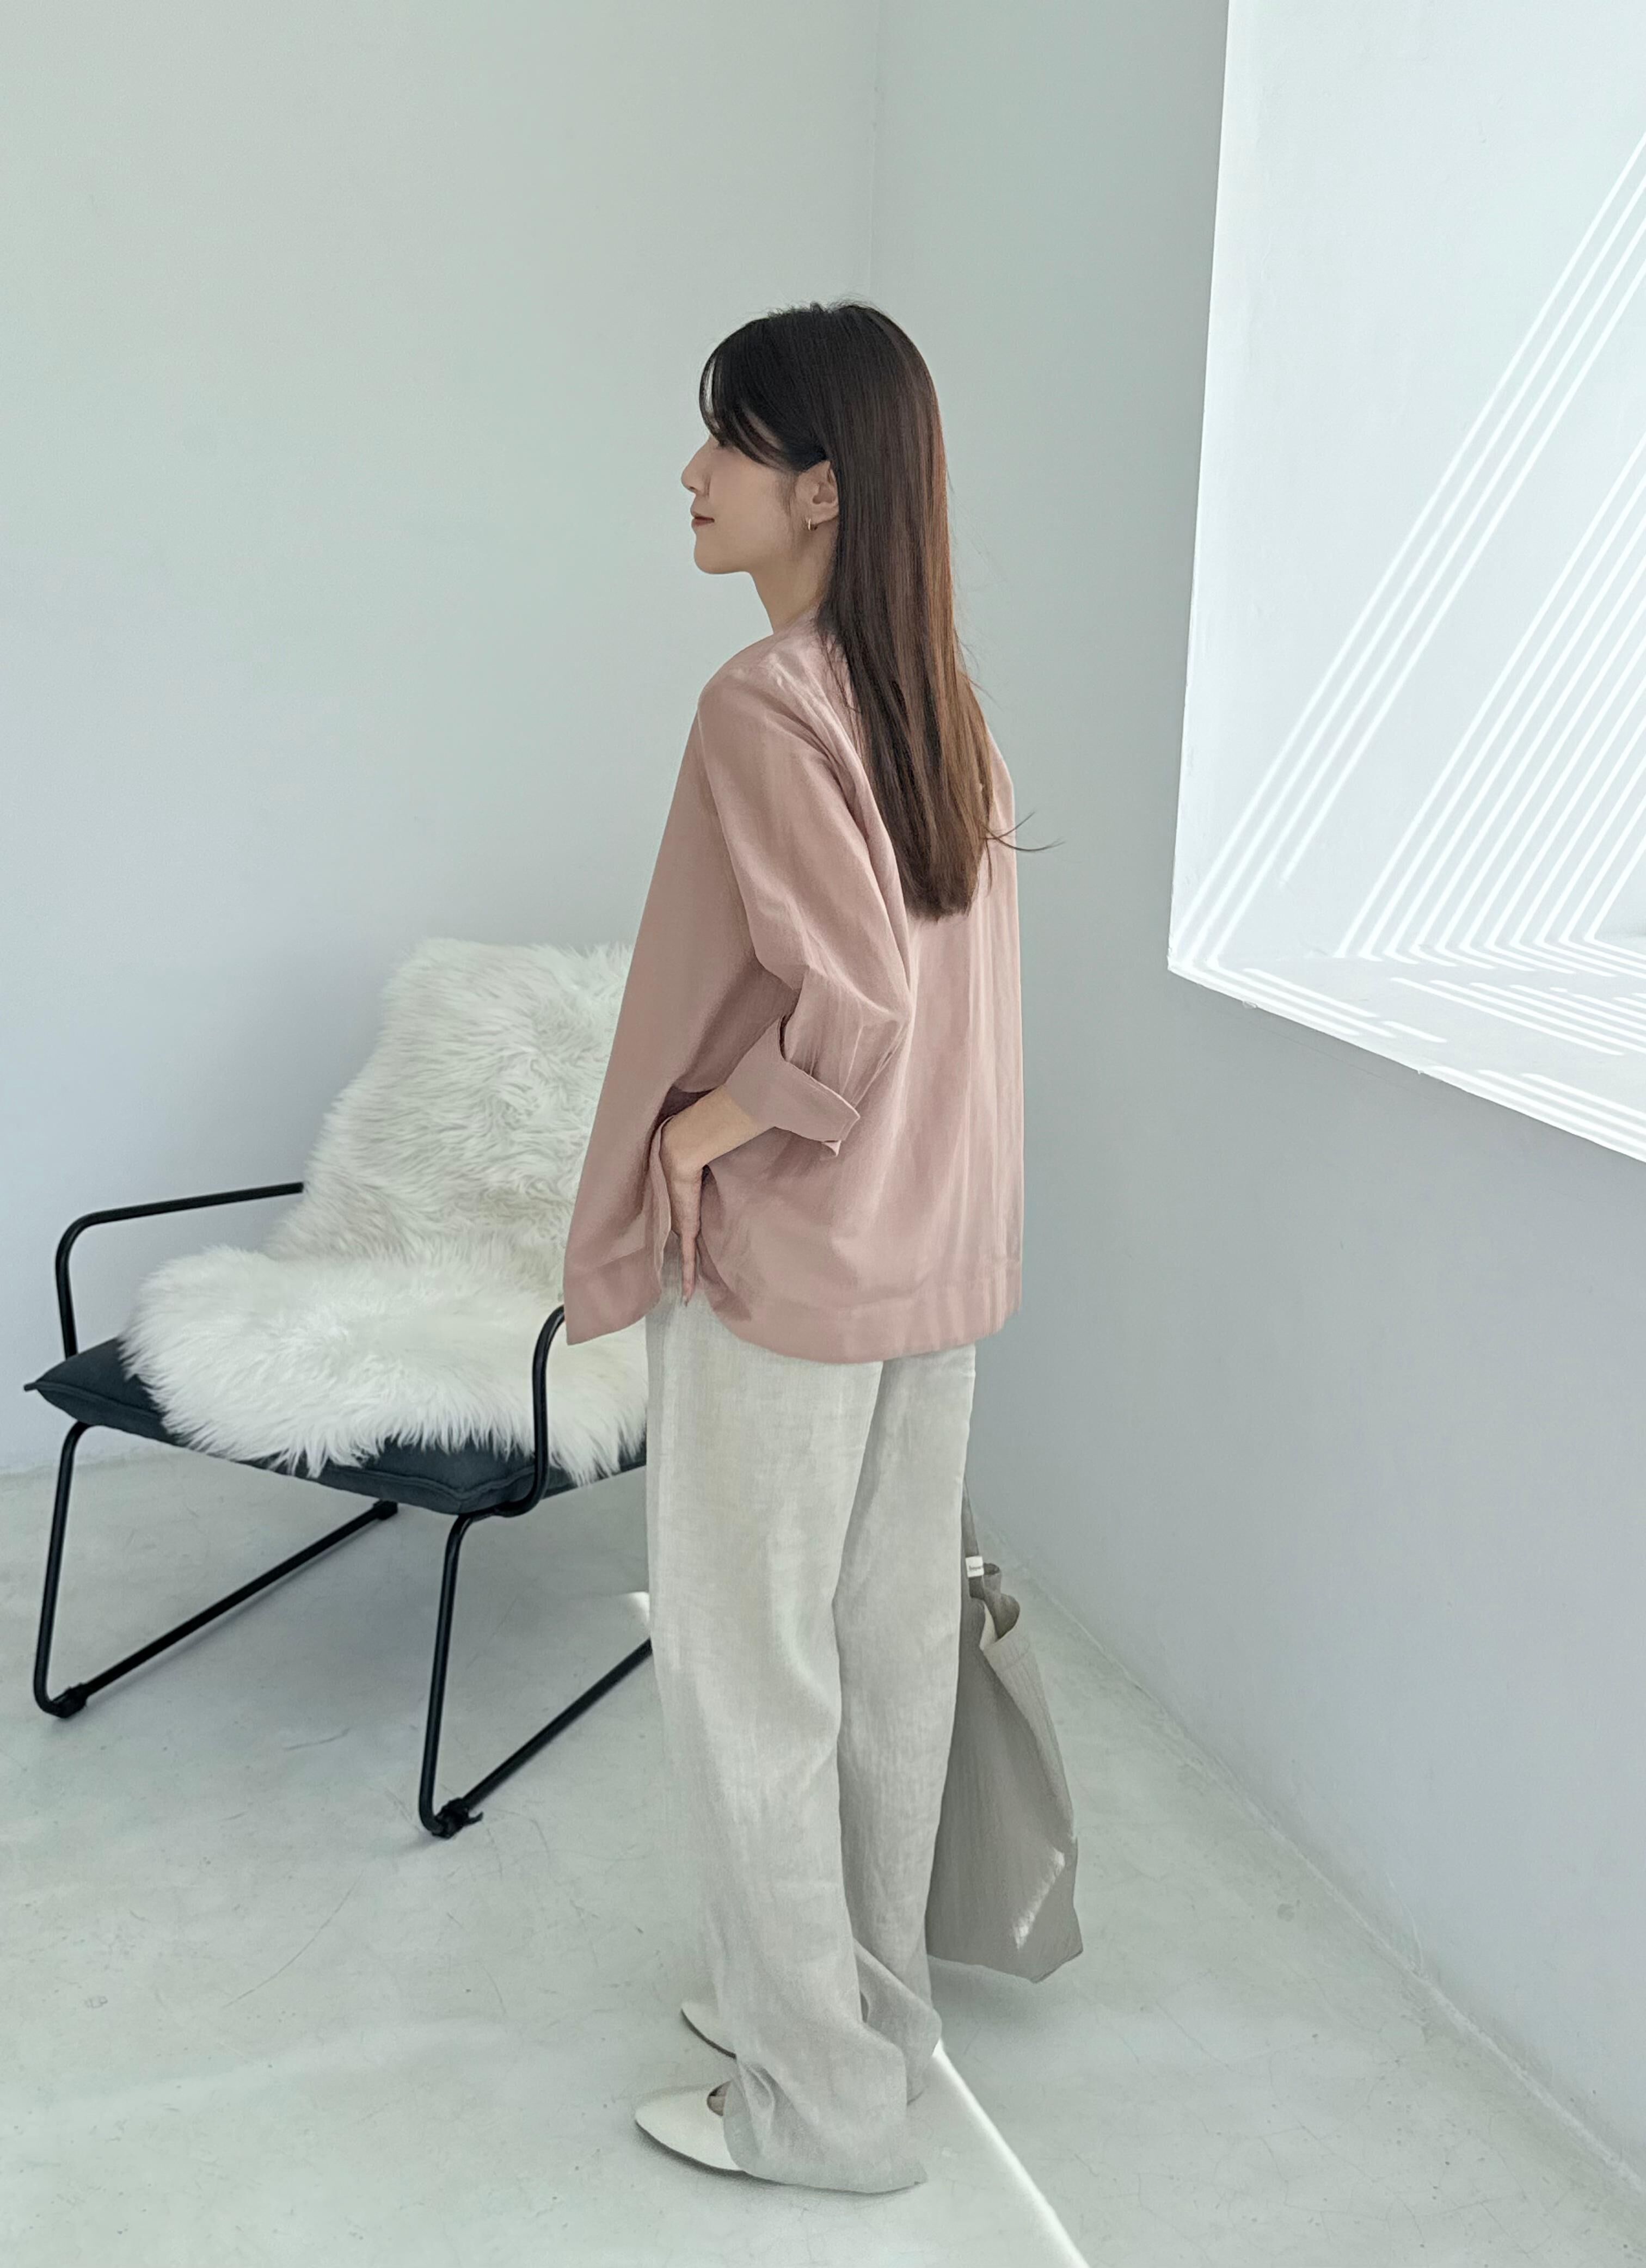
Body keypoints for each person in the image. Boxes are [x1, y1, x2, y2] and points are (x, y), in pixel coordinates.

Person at [560, 298, 1025, 2194]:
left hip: (798, 1262)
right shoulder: (931, 696)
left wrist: (696, 1129)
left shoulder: (764, 702)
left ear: (821, 486)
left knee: (747, 1675)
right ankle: (864, 2026)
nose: (691, 473)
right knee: (882, 1653)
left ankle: (812, 2105)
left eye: (729, 442)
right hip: (935, 1254)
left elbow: (852, 1013)